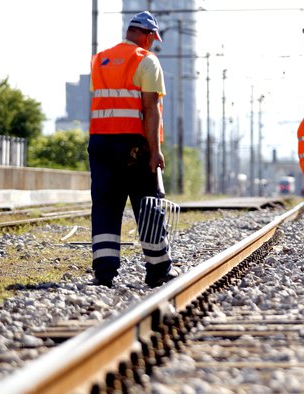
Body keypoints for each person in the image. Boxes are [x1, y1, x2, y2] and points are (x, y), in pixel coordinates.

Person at [89, 11, 178, 288]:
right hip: (133, 144)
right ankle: (158, 269)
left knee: (106, 204)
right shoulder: (146, 60)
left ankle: (104, 273)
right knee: (148, 203)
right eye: (153, 40)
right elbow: (150, 109)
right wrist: (155, 150)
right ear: (149, 36)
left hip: (101, 142)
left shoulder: (100, 59)